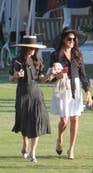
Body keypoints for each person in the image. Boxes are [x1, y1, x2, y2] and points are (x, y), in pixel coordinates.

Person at [49, 26, 93, 160]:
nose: (72, 41)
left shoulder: (77, 55)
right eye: (69, 39)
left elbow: (83, 74)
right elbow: (50, 76)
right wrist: (57, 76)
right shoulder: (55, 55)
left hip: (76, 87)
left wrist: (88, 92)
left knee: (75, 118)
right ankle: (60, 138)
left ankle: (71, 149)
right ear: (63, 40)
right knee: (64, 120)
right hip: (62, 88)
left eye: (74, 39)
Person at [9, 35, 52, 163]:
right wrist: (16, 75)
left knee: (38, 120)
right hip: (22, 93)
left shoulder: (37, 60)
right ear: (25, 48)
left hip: (36, 93)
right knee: (24, 121)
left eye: (34, 48)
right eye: (31, 48)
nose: (33, 50)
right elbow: (11, 77)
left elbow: (42, 79)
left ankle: (33, 152)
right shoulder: (17, 61)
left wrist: (50, 75)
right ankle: (25, 144)